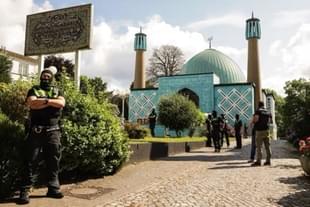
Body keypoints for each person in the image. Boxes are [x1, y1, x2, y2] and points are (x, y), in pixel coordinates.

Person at [18, 66, 66, 204]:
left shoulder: (57, 90)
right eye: (44, 76)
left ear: (52, 78)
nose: (46, 78)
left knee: (53, 161)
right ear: (40, 77)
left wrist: (43, 101)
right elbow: (32, 104)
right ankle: (25, 190)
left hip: (53, 131)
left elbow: (61, 103)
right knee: (30, 161)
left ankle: (53, 189)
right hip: (36, 131)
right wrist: (50, 102)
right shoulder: (33, 89)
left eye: (48, 76)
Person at [251, 101, 272, 167]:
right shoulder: (268, 112)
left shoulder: (258, 111)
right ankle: (268, 161)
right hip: (266, 130)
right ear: (263, 105)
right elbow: (270, 121)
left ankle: (258, 161)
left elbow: (256, 120)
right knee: (267, 146)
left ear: (258, 105)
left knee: (259, 147)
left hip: (259, 131)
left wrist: (253, 121)